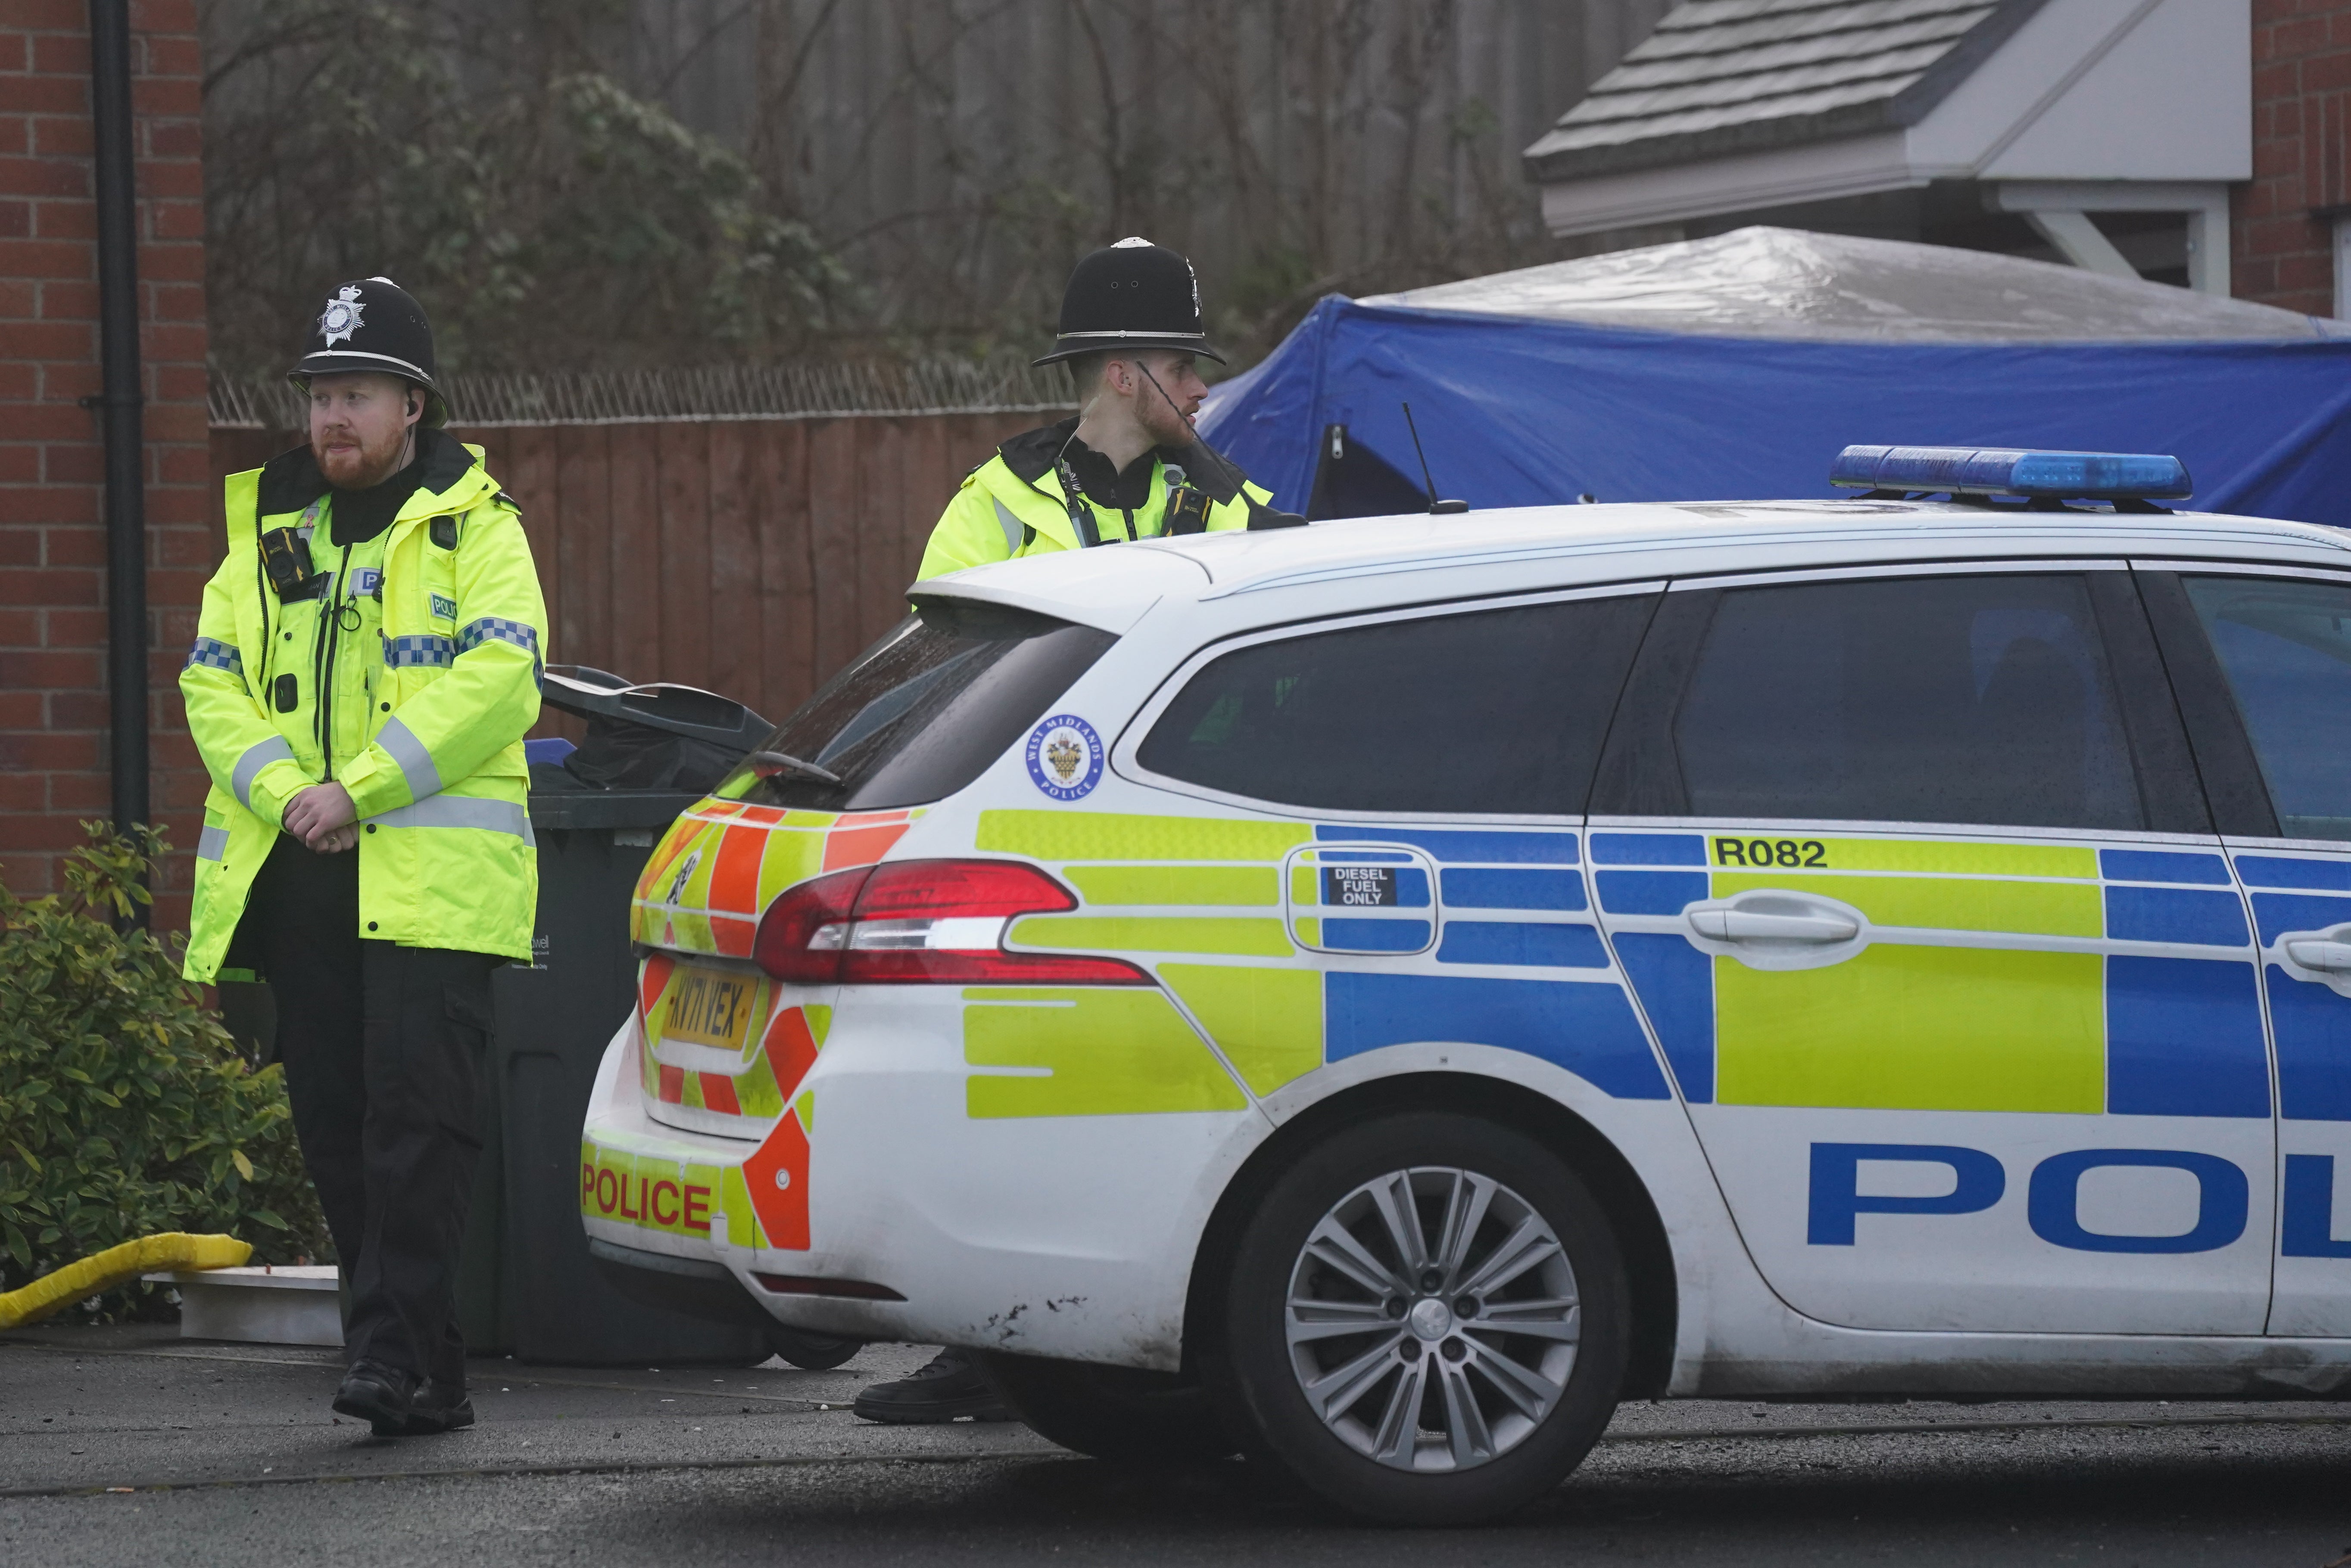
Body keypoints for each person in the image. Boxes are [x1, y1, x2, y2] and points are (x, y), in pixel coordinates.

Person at [855, 242, 1301, 1428]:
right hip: (1012, 867)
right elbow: (938, 680)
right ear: (1120, 374)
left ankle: (1106, 1348)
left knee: (1140, 1112)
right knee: (998, 1098)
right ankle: (979, 1349)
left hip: (1178, 870)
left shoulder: (1234, 506)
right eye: (1181, 365)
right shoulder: (992, 507)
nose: (1203, 389)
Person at [180, 277, 547, 1437]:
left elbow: (500, 684)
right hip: (304, 870)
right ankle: (420, 1366)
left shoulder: (475, 525)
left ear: (413, 407)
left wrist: (362, 788)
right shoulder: (268, 530)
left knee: (416, 1127)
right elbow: (211, 682)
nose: (333, 418)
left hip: (429, 879)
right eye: (322, 396)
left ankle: (384, 1356)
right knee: (337, 1123)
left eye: (358, 395)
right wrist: (294, 796)